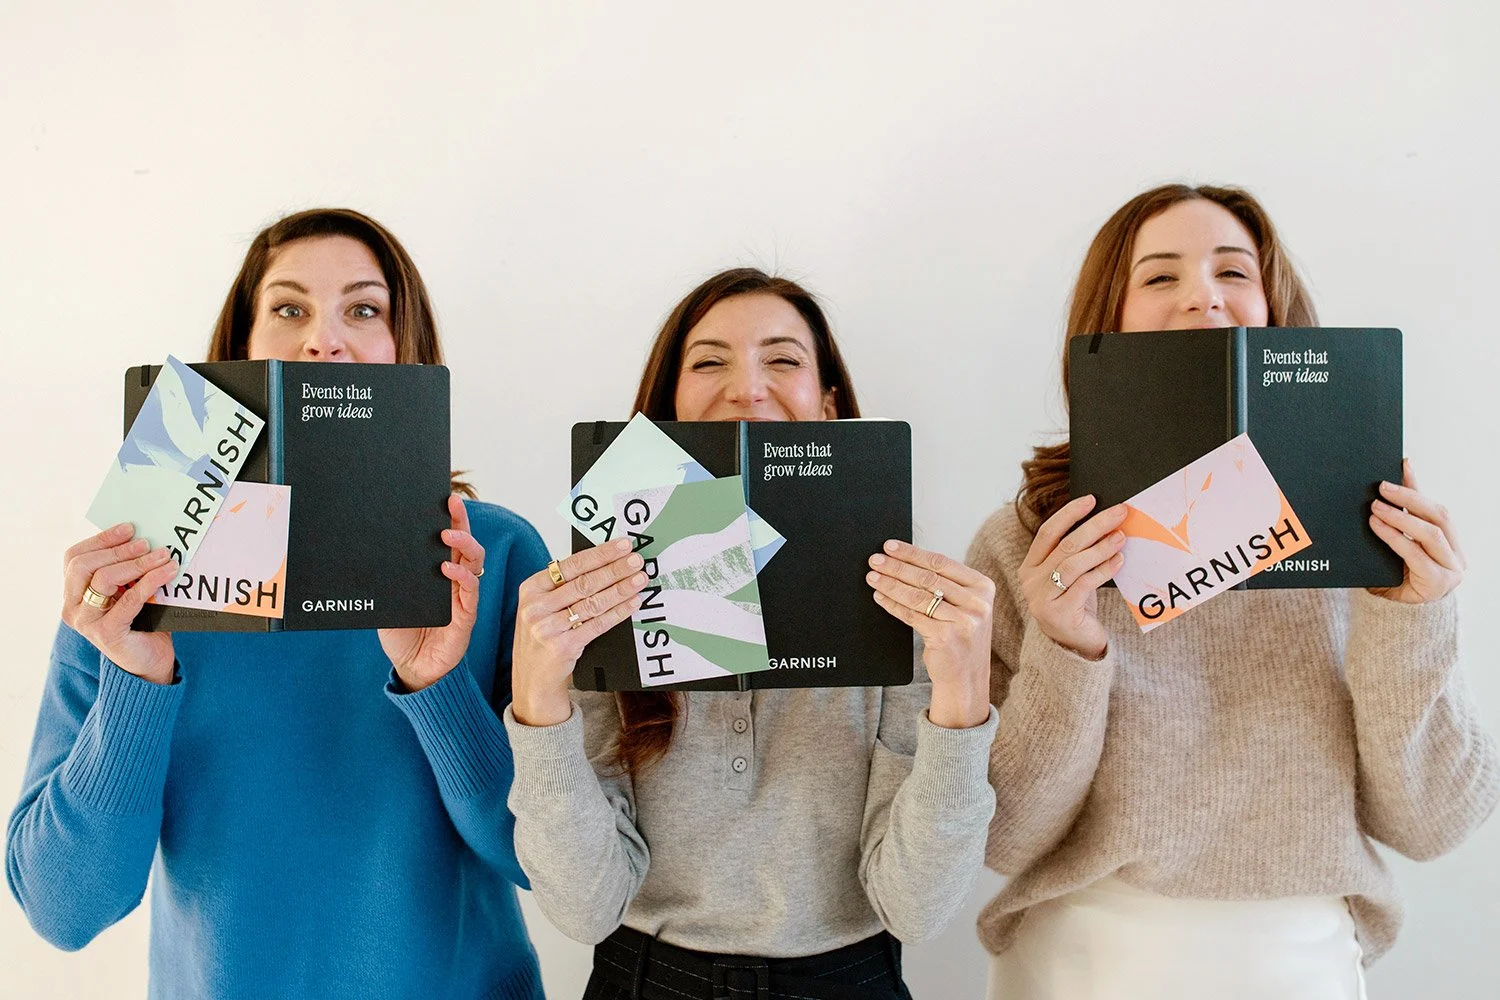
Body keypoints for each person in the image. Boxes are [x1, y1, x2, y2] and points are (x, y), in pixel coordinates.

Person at [969, 183, 1499, 999]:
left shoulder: (1359, 522)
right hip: (1080, 959)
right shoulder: (1032, 539)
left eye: (1232, 271)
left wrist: (1412, 617)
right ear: (1106, 319)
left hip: (1301, 957)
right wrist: (1068, 647)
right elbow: (1000, 837)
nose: (1203, 297)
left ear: (1272, 307)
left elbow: (1434, 823)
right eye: (1159, 277)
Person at [7, 209, 547, 999]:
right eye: (288, 309)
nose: (322, 339)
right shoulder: (140, 573)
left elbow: (546, 861)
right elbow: (64, 910)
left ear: (408, 350)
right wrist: (136, 680)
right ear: (242, 350)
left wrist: (439, 692)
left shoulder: (491, 556)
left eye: (364, 309)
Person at [504, 268, 999, 999]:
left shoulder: (904, 607)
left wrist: (961, 702)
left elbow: (916, 909)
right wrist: (538, 703)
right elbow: (583, 908)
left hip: (851, 979)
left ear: (828, 404)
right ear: (666, 406)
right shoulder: (602, 590)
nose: (747, 387)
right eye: (709, 361)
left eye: (784, 359)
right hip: (643, 979)